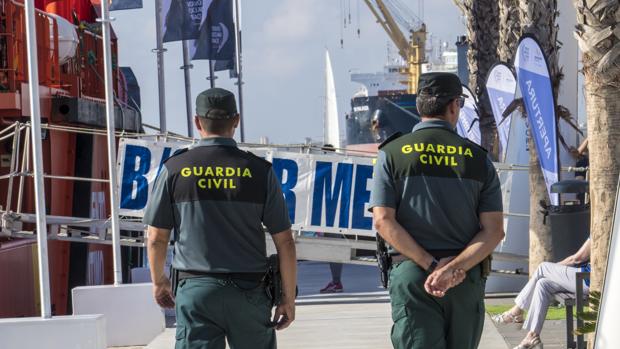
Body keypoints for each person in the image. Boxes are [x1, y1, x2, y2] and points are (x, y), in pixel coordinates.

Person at [144, 88, 297, 349]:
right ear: (236, 121)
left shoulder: (174, 170)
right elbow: (285, 243)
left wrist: (159, 282)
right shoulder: (260, 171)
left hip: (196, 291)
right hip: (250, 292)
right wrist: (287, 299)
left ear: (196, 122)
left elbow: (156, 238)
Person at [369, 72, 505, 349]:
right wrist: (452, 269)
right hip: (463, 280)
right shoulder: (478, 160)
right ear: (454, 105)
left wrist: (431, 265)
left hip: (412, 276)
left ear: (420, 106)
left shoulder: (392, 153)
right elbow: (493, 231)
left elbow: (383, 221)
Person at [493, 239, 591, 349]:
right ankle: (532, 337)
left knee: (543, 267)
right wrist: (554, 270)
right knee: (542, 284)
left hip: (587, 280)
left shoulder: (598, 233)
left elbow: (577, 259)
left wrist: (553, 269)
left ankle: (516, 311)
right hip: (584, 279)